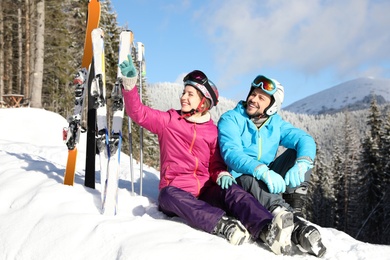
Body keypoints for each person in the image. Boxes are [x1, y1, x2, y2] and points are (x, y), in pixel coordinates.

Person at [119, 56, 295, 255]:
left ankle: (266, 228)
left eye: (190, 94)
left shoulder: (212, 131)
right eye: (184, 92)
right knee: (167, 195)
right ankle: (221, 225)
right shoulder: (169, 120)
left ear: (204, 102)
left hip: (204, 191)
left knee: (234, 191)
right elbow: (139, 114)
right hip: (177, 192)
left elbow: (216, 164)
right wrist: (129, 86)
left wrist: (221, 174)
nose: (183, 97)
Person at [217, 75, 326, 257]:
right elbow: (232, 153)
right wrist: (261, 170)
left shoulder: (275, 124)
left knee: (296, 154)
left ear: (272, 105)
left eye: (261, 97)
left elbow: (304, 139)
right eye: (253, 93)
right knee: (248, 177)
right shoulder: (232, 119)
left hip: (267, 175)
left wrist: (302, 163)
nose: (253, 99)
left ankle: (294, 213)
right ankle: (288, 220)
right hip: (241, 177)